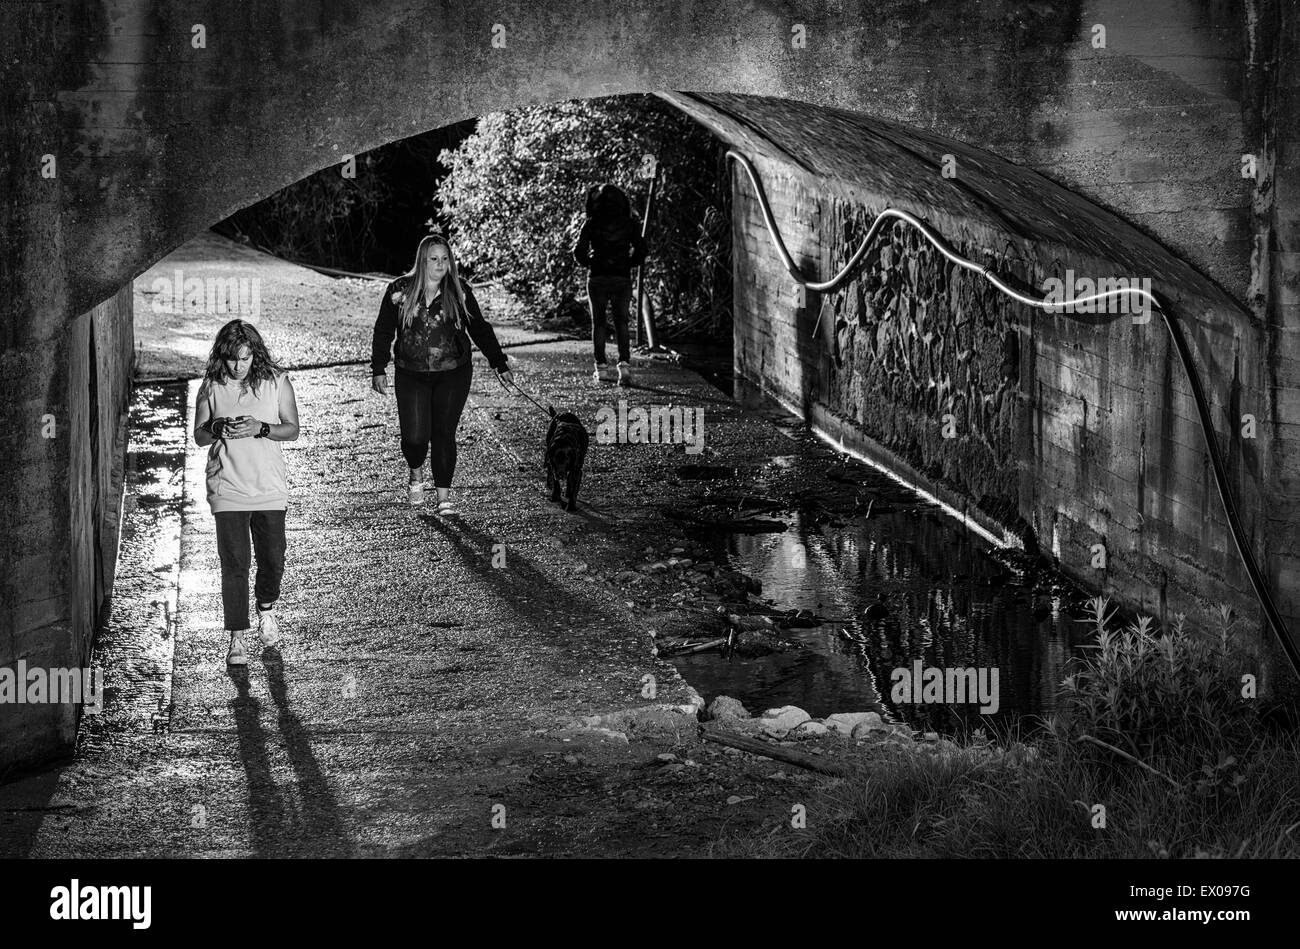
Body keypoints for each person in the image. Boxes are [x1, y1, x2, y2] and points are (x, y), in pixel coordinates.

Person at [371, 232, 513, 512]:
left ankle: (443, 498)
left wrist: (499, 362)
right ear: (422, 261)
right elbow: (384, 330)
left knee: (443, 434)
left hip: (453, 373)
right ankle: (415, 471)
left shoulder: (459, 291)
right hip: (410, 373)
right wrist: (378, 368)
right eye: (433, 259)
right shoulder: (400, 290)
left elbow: (480, 328)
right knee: (415, 438)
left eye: (445, 259)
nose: (440, 264)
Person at [193, 319, 300, 666]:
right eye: (232, 359)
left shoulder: (277, 383)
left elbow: (292, 429)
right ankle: (237, 638)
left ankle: (266, 608)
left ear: (255, 354)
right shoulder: (211, 386)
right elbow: (199, 436)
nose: (239, 366)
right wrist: (216, 427)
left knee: (273, 560)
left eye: (245, 358)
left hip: (268, 487)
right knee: (235, 563)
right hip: (227, 488)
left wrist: (261, 427)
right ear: (221, 357)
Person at [573, 183, 648, 386]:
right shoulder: (629, 224)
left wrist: (592, 264)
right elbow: (642, 249)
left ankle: (602, 368)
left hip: (597, 277)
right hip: (621, 278)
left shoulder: (591, 223)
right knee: (622, 322)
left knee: (598, 323)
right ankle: (624, 366)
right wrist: (627, 264)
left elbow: (578, 252)